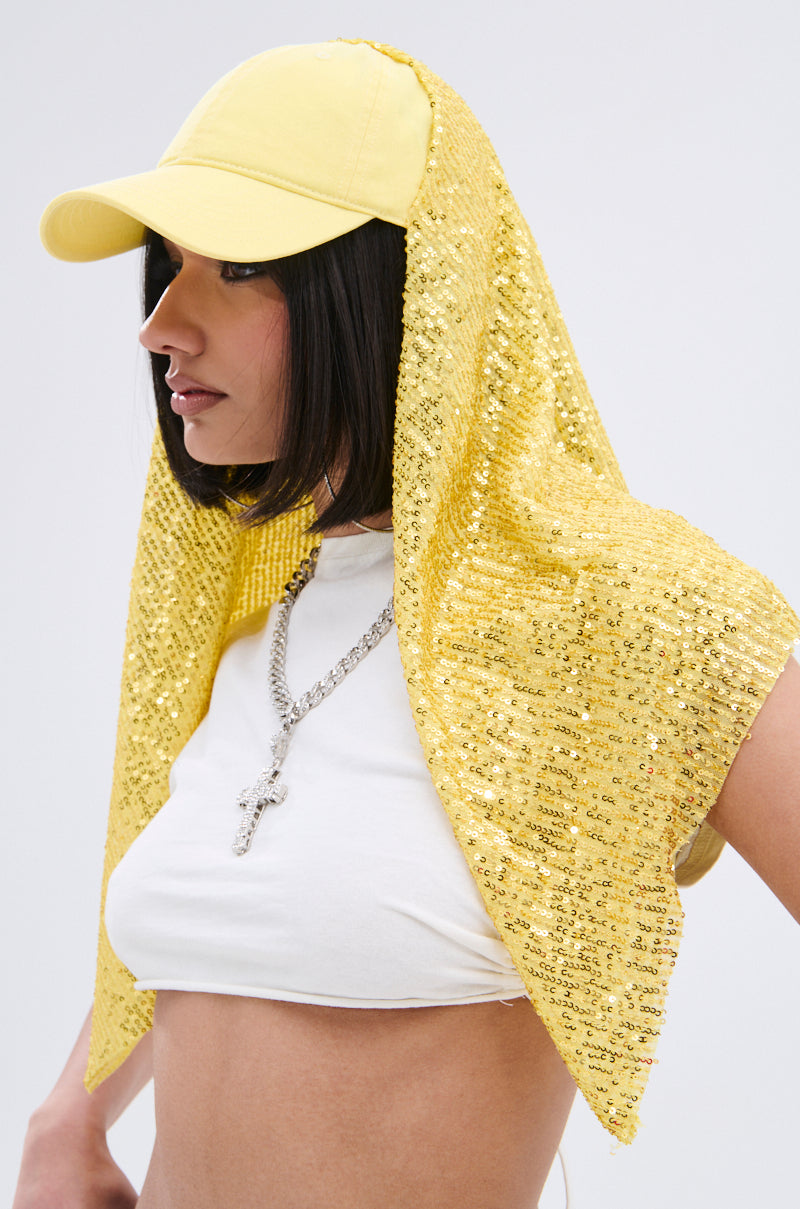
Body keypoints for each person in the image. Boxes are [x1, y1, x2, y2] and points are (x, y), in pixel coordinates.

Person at [14, 38, 800, 1209]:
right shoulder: (252, 622)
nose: (161, 325)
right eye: (166, 269)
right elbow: (221, 926)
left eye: (233, 268)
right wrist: (67, 1118)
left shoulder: (631, 613)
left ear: (393, 288)